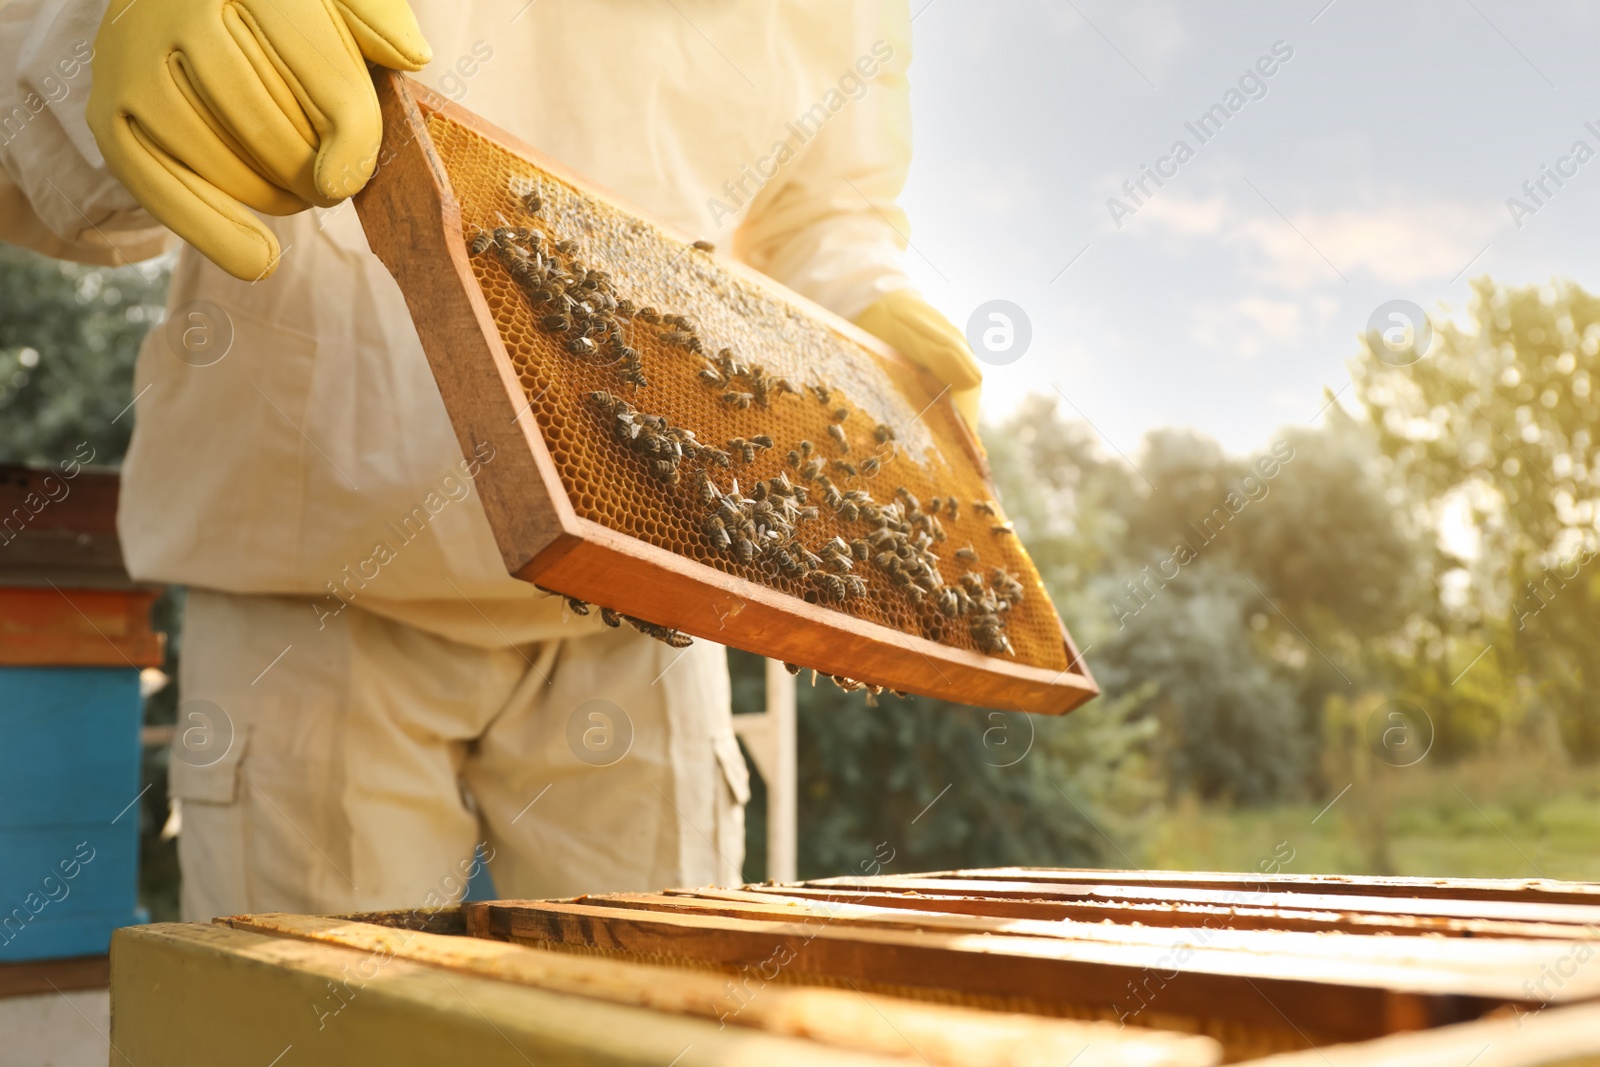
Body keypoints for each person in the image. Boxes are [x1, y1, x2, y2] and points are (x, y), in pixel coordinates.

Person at [0, 0, 983, 919]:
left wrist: (867, 309)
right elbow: (42, 121)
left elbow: (822, 217)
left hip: (649, 599)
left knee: (658, 1026)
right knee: (314, 1029)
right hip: (318, 578)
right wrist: (111, 24)